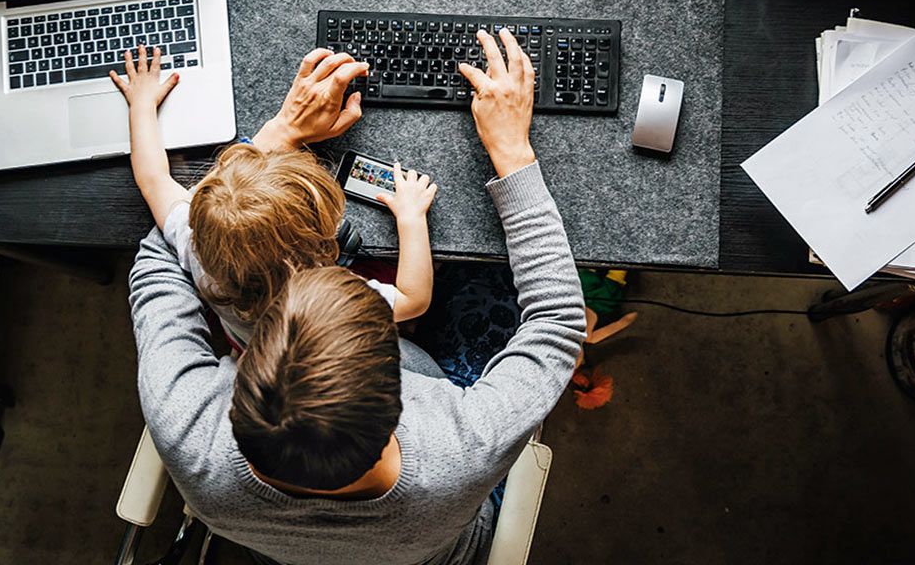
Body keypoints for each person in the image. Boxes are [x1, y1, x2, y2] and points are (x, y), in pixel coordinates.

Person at [127, 30, 586, 565]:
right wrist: (512, 150)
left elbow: (161, 253)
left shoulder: (183, 425)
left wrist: (275, 142)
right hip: (444, 546)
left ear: (242, 370)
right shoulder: (461, 445)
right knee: (487, 290)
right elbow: (556, 322)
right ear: (401, 397)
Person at [110, 45, 438, 347]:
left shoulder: (193, 237)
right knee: (383, 270)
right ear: (323, 244)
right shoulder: (329, 298)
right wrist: (411, 218)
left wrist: (141, 105)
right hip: (318, 341)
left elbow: (153, 179)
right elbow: (414, 299)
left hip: (249, 341)